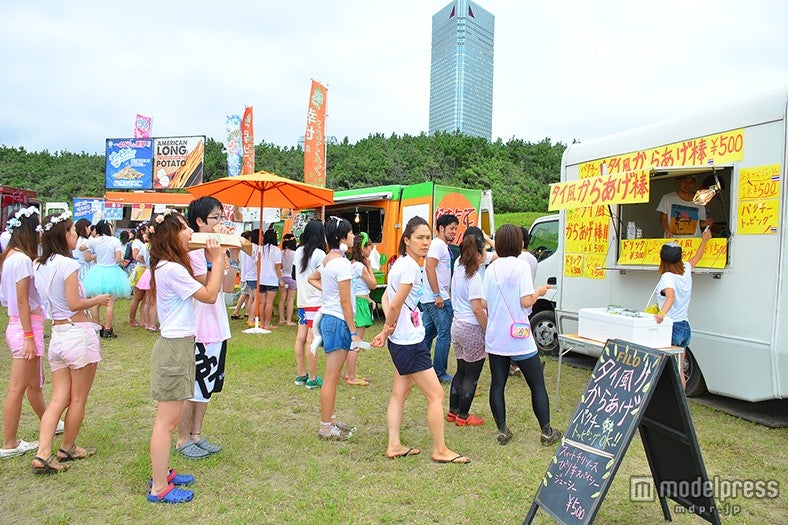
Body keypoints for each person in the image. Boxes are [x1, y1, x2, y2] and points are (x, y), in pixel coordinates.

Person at [371, 216, 469, 463]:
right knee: (436, 395)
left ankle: (394, 445)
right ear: (407, 240)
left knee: (400, 392)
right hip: (409, 343)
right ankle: (440, 450)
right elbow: (393, 304)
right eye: (419, 238)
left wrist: (388, 332)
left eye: (427, 238)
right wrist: (386, 330)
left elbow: (387, 298)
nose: (425, 242)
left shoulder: (401, 264)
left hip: (402, 340)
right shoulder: (411, 269)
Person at [147, 210, 225, 503]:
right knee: (166, 423)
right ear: (171, 235)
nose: (190, 232)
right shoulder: (172, 269)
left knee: (167, 420)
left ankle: (163, 473)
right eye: (183, 227)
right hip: (174, 348)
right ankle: (158, 488)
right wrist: (218, 259)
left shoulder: (168, 266)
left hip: (178, 346)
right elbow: (210, 295)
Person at [31, 211, 111, 474]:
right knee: (78, 399)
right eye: (73, 231)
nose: (76, 235)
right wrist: (98, 300)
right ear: (63, 234)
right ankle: (67, 447)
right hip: (77, 333)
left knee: (58, 398)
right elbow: (75, 303)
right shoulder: (68, 264)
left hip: (58, 334)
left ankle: (43, 452)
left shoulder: (38, 264)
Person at [481, 224, 561, 447]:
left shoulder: (491, 268)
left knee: (498, 384)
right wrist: (539, 292)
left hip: (496, 336)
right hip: (519, 337)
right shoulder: (521, 266)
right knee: (537, 384)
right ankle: (546, 432)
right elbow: (526, 301)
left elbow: (484, 302)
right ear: (519, 243)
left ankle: (502, 430)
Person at [176, 197, 239, 460]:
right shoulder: (193, 252)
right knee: (191, 387)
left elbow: (227, 287)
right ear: (200, 221)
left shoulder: (216, 251)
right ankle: (182, 438)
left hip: (217, 327)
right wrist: (220, 254)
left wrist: (232, 255)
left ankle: (196, 434)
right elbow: (206, 288)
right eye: (215, 217)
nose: (221, 222)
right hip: (197, 327)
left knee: (205, 387)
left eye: (222, 216)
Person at [0, 207, 48, 459]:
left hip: (21, 324)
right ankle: (10, 442)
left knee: (32, 383)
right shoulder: (21, 261)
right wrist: (29, 337)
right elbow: (21, 302)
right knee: (18, 387)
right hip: (25, 326)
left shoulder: (10, 257)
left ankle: (49, 421)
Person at [308, 217, 360, 440]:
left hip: (329, 318)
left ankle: (331, 420)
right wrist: (354, 331)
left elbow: (312, 278)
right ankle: (326, 428)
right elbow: (345, 301)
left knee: (333, 377)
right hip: (338, 321)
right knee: (331, 378)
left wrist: (328, 293)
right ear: (342, 238)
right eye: (350, 233)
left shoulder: (329, 259)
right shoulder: (342, 263)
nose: (353, 236)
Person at [446, 233, 488, 427]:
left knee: (461, 371)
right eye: (484, 251)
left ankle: (452, 411)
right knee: (472, 375)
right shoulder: (475, 278)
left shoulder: (458, 268)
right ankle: (463, 416)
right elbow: (477, 309)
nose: (486, 254)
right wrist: (488, 329)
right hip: (471, 328)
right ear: (478, 255)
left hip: (457, 325)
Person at [654, 228, 712, 348]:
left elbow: (670, 297)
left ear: (662, 259)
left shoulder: (667, 276)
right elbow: (698, 257)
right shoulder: (686, 269)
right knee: (680, 359)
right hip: (685, 327)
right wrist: (704, 240)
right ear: (680, 257)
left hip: (672, 326)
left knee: (667, 360)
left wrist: (661, 314)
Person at [420, 214, 459, 383]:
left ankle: (419, 367)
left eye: (456, 229)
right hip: (436, 299)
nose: (454, 232)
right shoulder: (437, 245)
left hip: (432, 297)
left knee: (428, 334)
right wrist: (438, 294)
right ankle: (439, 372)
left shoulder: (441, 245)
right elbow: (430, 268)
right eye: (452, 228)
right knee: (444, 335)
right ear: (441, 228)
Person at [81, 220, 132, 338]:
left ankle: (96, 327)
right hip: (112, 270)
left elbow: (81, 247)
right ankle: (108, 329)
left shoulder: (95, 241)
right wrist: (121, 259)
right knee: (110, 302)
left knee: (95, 302)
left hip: (98, 271)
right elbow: (118, 259)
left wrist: (93, 247)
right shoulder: (114, 241)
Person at [293, 220, 325, 390]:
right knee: (311, 340)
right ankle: (312, 378)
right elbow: (323, 276)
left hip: (302, 301)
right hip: (316, 302)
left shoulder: (298, 251)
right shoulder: (320, 254)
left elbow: (296, 274)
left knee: (301, 338)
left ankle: (302, 374)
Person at [345, 232, 378, 386]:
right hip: (360, 304)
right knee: (356, 343)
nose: (371, 250)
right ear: (363, 249)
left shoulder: (350, 264)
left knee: (353, 341)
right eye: (369, 248)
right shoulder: (360, 267)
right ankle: (351, 376)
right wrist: (369, 267)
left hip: (356, 302)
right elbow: (373, 284)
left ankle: (350, 373)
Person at [248, 228, 282, 331]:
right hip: (272, 279)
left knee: (262, 302)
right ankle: (267, 324)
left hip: (261, 279)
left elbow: (257, 264)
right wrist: (280, 279)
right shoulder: (276, 250)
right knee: (269, 303)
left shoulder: (260, 249)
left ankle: (262, 324)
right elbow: (277, 267)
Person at [231, 230, 255, 320]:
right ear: (249, 238)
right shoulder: (248, 248)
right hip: (248, 275)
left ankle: (247, 312)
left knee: (247, 294)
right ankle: (236, 311)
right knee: (245, 294)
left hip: (245, 274)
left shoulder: (242, 249)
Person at [128, 224, 148, 327]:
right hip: (141, 270)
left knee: (145, 299)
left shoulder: (145, 243)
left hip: (146, 270)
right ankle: (132, 319)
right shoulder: (137, 242)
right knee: (137, 298)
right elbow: (135, 256)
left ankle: (143, 320)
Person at [278, 233, 297, 326]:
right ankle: (289, 320)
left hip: (282, 276)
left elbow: (280, 265)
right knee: (290, 300)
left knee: (282, 299)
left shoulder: (281, 253)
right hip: (292, 277)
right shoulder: (295, 254)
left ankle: (281, 319)